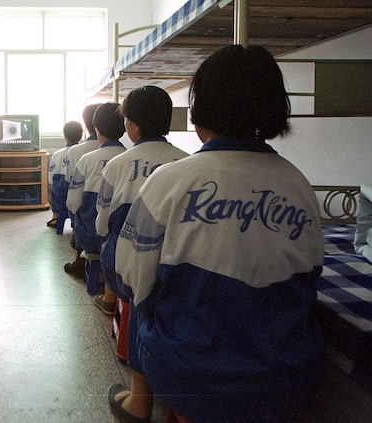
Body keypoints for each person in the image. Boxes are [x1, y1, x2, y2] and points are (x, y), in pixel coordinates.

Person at [108, 45, 325, 423]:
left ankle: (139, 403)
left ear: (198, 113)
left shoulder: (170, 182)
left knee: (145, 301)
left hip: (191, 374)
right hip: (288, 377)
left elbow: (130, 276)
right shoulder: (300, 185)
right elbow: (310, 278)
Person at [95, 86, 188, 420]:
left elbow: (102, 224)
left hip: (130, 267)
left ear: (131, 125)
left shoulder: (118, 165)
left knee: (138, 290)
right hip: (181, 270)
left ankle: (139, 398)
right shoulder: (187, 162)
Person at [66, 102, 126, 300]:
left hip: (93, 236)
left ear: (97, 130)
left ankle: (80, 261)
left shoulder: (87, 159)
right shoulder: (129, 158)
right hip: (127, 236)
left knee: (81, 211)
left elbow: (73, 203)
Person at [63, 103, 102, 278]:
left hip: (87, 218)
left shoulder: (76, 152)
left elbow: (71, 191)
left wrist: (73, 222)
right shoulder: (124, 153)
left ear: (87, 125)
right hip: (113, 219)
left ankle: (79, 260)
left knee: (79, 209)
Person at [47, 121, 83, 228]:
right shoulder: (85, 154)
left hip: (60, 199)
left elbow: (50, 179)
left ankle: (55, 216)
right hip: (78, 198)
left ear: (65, 136)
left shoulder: (57, 155)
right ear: (81, 135)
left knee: (56, 185)